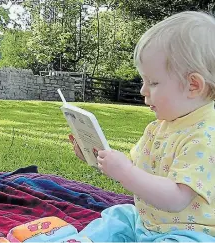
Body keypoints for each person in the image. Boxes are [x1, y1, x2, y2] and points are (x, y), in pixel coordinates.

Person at [70, 11, 215, 242]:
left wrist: (125, 171)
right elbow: (133, 170)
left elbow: (176, 199)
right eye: (143, 81)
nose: (142, 90)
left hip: (190, 233)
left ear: (193, 85)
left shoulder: (206, 136)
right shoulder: (158, 128)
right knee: (119, 216)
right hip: (146, 223)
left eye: (154, 82)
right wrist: (99, 159)